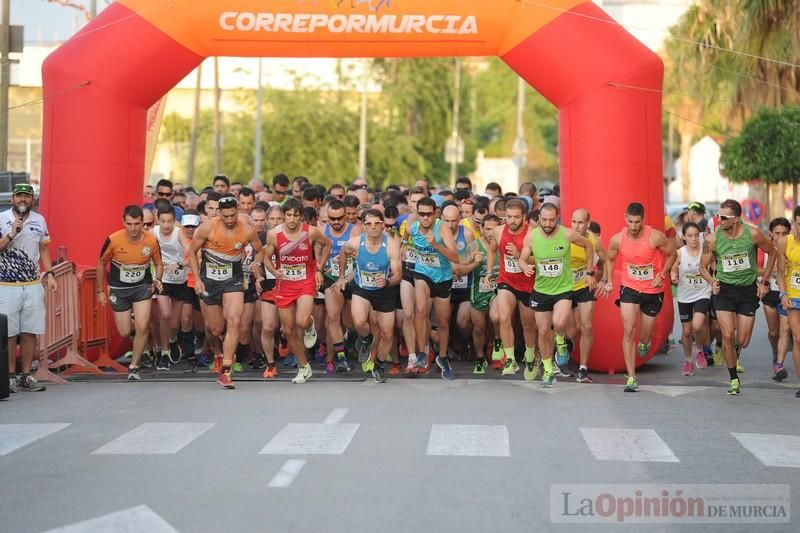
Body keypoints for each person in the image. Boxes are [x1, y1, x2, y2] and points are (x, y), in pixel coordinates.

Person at [700, 199, 775, 396]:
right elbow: (702, 267)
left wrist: (765, 281)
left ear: (735, 219)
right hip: (724, 290)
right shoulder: (712, 240)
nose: (719, 220)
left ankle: (732, 350)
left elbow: (773, 252)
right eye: (718, 216)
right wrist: (711, 280)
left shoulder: (754, 234)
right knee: (727, 334)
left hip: (747, 291)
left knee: (743, 340)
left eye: (723, 217)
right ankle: (733, 378)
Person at [188, 194, 263, 390]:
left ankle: (226, 370)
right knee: (215, 329)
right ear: (219, 213)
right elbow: (191, 253)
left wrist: (257, 262)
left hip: (233, 280)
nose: (229, 220)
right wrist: (197, 279)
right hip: (210, 281)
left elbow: (260, 250)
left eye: (233, 215)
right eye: (226, 216)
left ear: (237, 211)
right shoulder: (207, 228)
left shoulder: (247, 229)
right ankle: (225, 348)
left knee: (234, 321)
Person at [519, 203, 594, 387]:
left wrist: (590, 272)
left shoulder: (567, 234)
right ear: (538, 219)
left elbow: (588, 246)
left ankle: (561, 340)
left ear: (557, 218)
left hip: (563, 289)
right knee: (543, 331)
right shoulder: (531, 237)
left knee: (559, 323)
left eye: (552, 220)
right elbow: (522, 258)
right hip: (541, 290)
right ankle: (547, 370)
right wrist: (524, 265)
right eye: (544, 219)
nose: (547, 223)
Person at [607, 202, 677, 393]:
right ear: (625, 218)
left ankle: (645, 341)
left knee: (644, 336)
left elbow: (672, 254)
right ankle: (631, 377)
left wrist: (662, 274)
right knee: (629, 329)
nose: (633, 226)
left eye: (637, 222)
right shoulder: (617, 239)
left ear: (643, 220)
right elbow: (610, 258)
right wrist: (608, 278)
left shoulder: (655, 237)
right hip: (629, 288)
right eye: (630, 221)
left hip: (652, 290)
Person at [262, 198, 332, 384]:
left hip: (305, 281)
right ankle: (304, 367)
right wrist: (273, 270)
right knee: (289, 329)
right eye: (288, 215)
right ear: (284, 215)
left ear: (301, 216)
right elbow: (266, 257)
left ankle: (309, 326)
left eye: (295, 215)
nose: (292, 219)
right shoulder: (273, 235)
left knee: (301, 321)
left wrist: (319, 269)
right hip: (284, 284)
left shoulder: (311, 232)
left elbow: (327, 245)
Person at [97, 205, 163, 381]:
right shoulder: (113, 240)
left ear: (143, 223)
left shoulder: (150, 241)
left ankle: (134, 366)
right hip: (119, 289)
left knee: (143, 325)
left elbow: (158, 263)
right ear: (123, 222)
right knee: (125, 331)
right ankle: (141, 334)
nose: (133, 228)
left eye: (137, 224)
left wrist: (158, 279)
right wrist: (100, 291)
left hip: (142, 287)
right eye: (129, 224)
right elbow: (101, 264)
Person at [0, 183, 56, 393]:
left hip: (32, 284)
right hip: (7, 285)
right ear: (12, 199)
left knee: (29, 331)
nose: (23, 200)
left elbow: (43, 248)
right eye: (19, 196)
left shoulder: (39, 220)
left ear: (32, 200)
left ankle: (26, 375)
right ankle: (10, 376)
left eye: (27, 197)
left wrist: (50, 274)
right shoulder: (2, 219)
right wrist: (12, 233)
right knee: (9, 332)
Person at [336, 209, 402, 383]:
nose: (373, 227)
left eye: (377, 223)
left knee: (387, 333)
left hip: (384, 290)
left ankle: (379, 364)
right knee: (358, 321)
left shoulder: (392, 245)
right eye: (369, 224)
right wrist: (342, 277)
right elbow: (343, 252)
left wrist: (387, 282)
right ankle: (366, 339)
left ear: (382, 225)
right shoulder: (356, 243)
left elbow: (398, 275)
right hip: (362, 287)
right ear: (364, 226)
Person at [409, 199, 460, 379]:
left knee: (443, 322)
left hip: (443, 278)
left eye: (428, 214)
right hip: (423, 274)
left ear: (435, 213)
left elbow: (456, 257)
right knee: (420, 309)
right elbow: (403, 241)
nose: (425, 218)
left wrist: (436, 245)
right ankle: (422, 353)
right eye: (421, 214)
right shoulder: (413, 228)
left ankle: (443, 357)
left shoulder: (442, 228)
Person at [489, 198, 538, 379]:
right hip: (506, 281)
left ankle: (531, 356)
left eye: (516, 217)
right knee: (504, 318)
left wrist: (521, 257)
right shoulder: (498, 231)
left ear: (524, 217)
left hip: (527, 283)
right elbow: (491, 250)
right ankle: (510, 359)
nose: (512, 221)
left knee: (528, 324)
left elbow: (540, 259)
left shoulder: (533, 233)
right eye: (509, 217)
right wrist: (488, 271)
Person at [568, 208, 612, 383]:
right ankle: (560, 352)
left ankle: (583, 369)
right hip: (564, 288)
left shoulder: (595, 241)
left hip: (585, 287)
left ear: (587, 223)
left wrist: (604, 280)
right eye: (573, 222)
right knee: (572, 329)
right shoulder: (566, 237)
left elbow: (606, 260)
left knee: (586, 327)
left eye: (580, 222)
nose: (576, 226)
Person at [322, 199, 359, 373]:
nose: (336, 222)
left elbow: (362, 260)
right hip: (332, 278)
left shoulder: (355, 231)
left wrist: (346, 275)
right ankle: (340, 357)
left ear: (346, 216)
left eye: (339, 219)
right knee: (333, 317)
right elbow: (318, 255)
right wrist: (323, 268)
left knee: (350, 322)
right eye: (332, 218)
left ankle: (353, 339)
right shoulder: (323, 231)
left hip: (352, 278)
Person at [152, 205, 191, 370]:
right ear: (157, 220)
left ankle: (173, 340)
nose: (166, 225)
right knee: (165, 315)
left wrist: (180, 264)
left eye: (169, 221)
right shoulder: (152, 233)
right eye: (163, 221)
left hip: (180, 279)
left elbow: (192, 253)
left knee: (174, 323)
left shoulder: (179, 233)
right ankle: (164, 354)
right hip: (163, 278)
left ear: (174, 221)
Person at [670, 222, 712, 376]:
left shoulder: (705, 249)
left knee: (697, 325)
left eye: (696, 235)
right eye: (690, 236)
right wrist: (673, 276)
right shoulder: (680, 253)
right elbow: (673, 268)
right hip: (685, 295)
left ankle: (700, 350)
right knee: (687, 332)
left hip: (702, 293)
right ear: (684, 237)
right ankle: (688, 361)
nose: (694, 239)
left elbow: (713, 266)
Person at [774, 207, 800, 397]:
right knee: (798, 338)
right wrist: (783, 294)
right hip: (793, 295)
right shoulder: (785, 242)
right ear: (795, 223)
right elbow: (781, 272)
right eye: (799, 224)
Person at [470, 214, 499, 374]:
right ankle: (480, 358)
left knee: (498, 318)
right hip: (478, 291)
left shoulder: (503, 245)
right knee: (479, 327)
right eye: (487, 229)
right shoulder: (474, 246)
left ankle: (497, 352)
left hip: (498, 290)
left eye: (494, 229)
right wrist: (473, 263)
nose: (490, 233)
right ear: (481, 229)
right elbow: (457, 268)